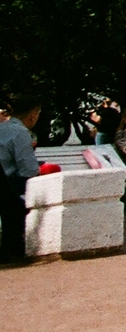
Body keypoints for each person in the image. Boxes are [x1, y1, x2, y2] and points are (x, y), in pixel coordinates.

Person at [0, 97, 39, 264]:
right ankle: (14, 244)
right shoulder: (20, 132)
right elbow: (29, 170)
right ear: (33, 115)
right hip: (8, 186)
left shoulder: (2, 128)